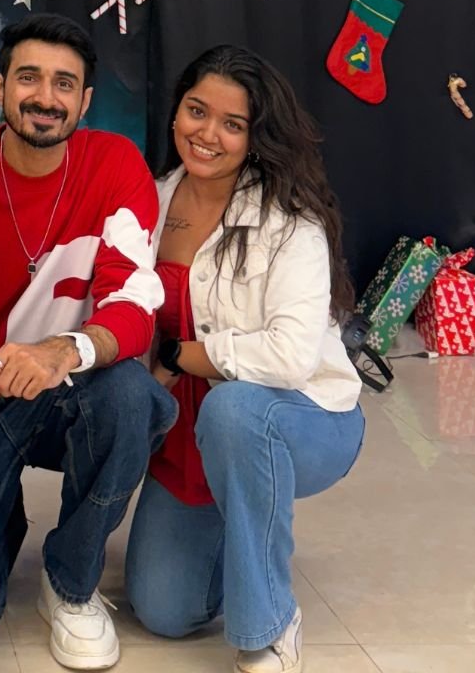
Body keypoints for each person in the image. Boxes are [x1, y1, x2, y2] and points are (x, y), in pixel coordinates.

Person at [0, 13, 177, 670]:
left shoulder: (113, 163)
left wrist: (64, 350)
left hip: (67, 393)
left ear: (85, 101)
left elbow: (133, 300)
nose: (45, 97)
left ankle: (71, 584)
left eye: (64, 83)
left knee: (129, 394)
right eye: (28, 77)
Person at [124, 44, 366, 673]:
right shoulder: (149, 201)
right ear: (176, 110)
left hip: (301, 416)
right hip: (187, 429)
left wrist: (182, 355)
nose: (208, 134)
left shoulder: (289, 222)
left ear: (256, 137)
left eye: (232, 124)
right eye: (197, 111)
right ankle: (241, 527)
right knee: (164, 611)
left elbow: (288, 358)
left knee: (235, 411)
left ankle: (269, 624)